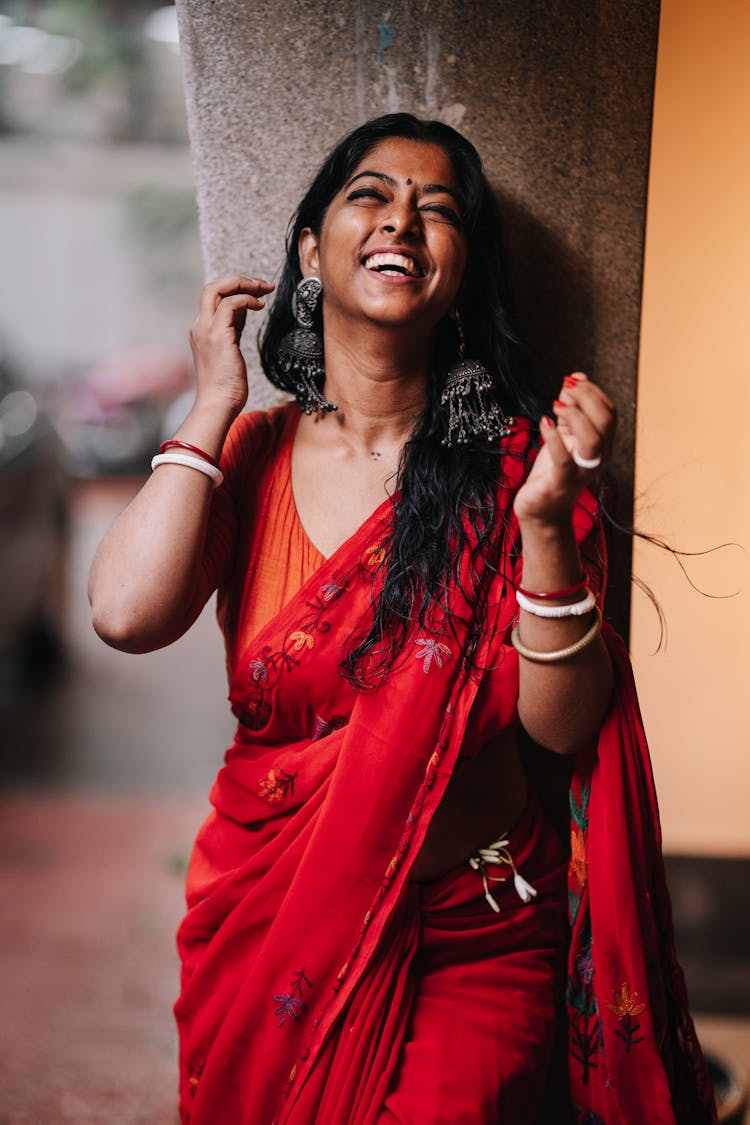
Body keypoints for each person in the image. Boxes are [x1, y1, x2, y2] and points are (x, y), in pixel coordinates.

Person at [88, 114, 715, 1124]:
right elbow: (123, 613)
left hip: (477, 934)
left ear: (463, 274)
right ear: (311, 250)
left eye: (439, 210)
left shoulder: (521, 463)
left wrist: (547, 524)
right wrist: (210, 407)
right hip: (272, 924)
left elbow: (560, 727)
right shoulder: (249, 454)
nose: (404, 222)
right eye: (371, 195)